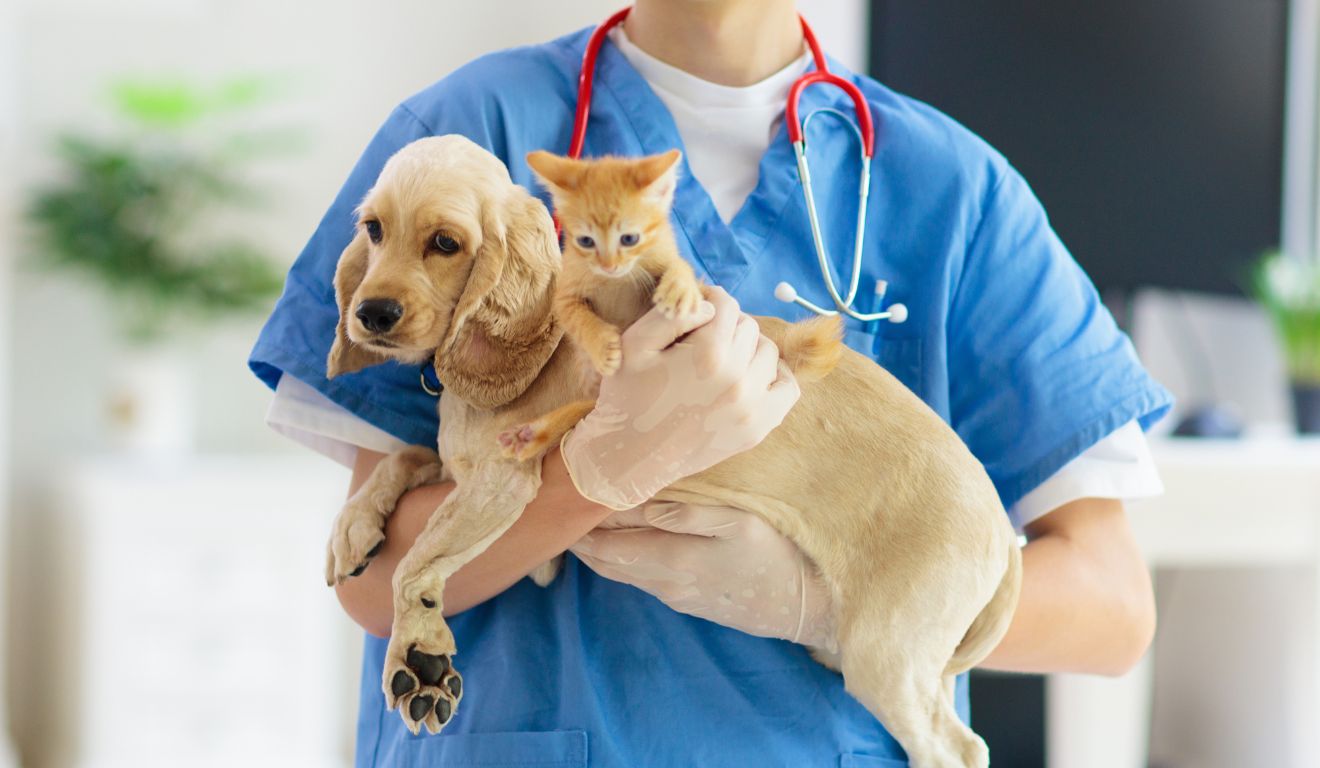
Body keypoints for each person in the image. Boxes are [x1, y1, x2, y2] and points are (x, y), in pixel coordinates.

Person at [250, 1, 1172, 765]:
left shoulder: (954, 192)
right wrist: (593, 477)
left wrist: (828, 603)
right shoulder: (471, 140)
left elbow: (1112, 609)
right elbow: (373, 587)